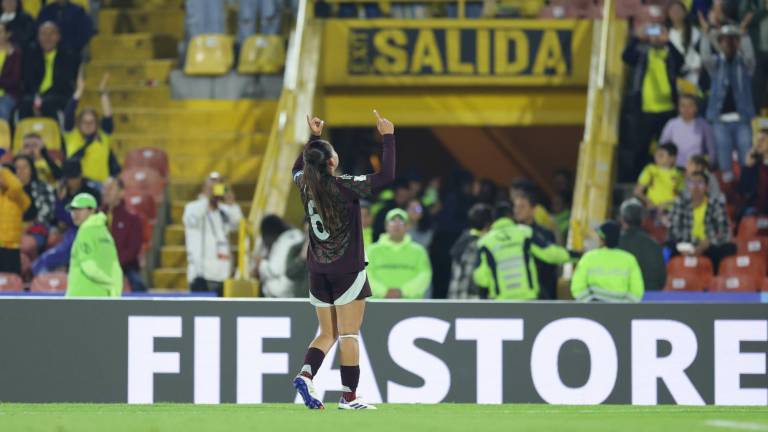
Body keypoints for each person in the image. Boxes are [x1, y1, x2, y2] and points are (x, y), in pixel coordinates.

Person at [290, 111, 395, 410]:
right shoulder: (345, 186)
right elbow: (386, 176)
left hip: (317, 270)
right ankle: (349, 397)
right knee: (348, 334)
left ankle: (306, 374)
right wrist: (388, 137)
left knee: (327, 333)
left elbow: (297, 168)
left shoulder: (304, 184)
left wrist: (313, 138)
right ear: (332, 162)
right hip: (346, 271)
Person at [473, 202, 578, 300]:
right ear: (511, 215)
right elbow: (551, 254)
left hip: (501, 301)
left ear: (493, 220)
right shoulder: (524, 233)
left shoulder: (485, 242)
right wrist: (577, 255)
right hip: (527, 299)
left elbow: (480, 277)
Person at [622, 23, 684, 179]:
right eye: (653, 33)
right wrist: (637, 38)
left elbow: (681, 61)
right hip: (645, 108)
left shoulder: (668, 54)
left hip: (667, 108)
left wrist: (668, 41)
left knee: (667, 147)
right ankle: (639, 178)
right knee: (641, 146)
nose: (656, 36)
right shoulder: (642, 52)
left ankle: (667, 177)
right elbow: (626, 57)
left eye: (659, 32)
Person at [700, 16, 756, 182]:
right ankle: (728, 191)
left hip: (742, 118)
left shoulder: (745, 65)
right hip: (719, 119)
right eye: (724, 41)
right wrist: (705, 35)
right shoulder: (716, 65)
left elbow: (750, 56)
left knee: (746, 153)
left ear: (737, 43)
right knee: (724, 156)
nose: (728, 44)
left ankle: (747, 187)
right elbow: (705, 57)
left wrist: (744, 36)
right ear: (720, 43)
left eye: (733, 40)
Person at [668, 171, 735, 271]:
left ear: (707, 187)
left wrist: (706, 244)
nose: (696, 187)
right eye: (692, 183)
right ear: (688, 187)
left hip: (708, 245)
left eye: (700, 183)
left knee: (728, 248)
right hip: (686, 243)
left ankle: (716, 280)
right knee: (668, 248)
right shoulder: (680, 203)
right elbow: (674, 230)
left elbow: (723, 231)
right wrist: (685, 247)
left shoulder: (715, 204)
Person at [183, 181, 241, 297]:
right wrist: (207, 199)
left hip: (223, 274)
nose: (215, 189)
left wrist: (231, 203)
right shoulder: (193, 207)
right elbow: (191, 220)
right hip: (201, 275)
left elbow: (238, 224)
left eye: (219, 186)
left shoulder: (224, 211)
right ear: (204, 188)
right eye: (212, 186)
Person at [63, 73, 119, 183]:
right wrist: (79, 91)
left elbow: (108, 117)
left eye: (91, 122)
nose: (88, 125)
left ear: (97, 123)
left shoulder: (103, 137)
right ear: (79, 123)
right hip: (78, 186)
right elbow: (68, 114)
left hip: (100, 186)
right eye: (85, 122)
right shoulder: (72, 135)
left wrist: (102, 92)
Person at [571, 221, 644, 303]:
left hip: (592, 312)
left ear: (602, 239)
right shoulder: (629, 259)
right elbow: (637, 291)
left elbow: (577, 287)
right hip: (621, 312)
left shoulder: (589, 257)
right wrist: (624, 307)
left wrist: (590, 303)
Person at [65, 192, 122, 297]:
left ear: (92, 210)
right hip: (103, 298)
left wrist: (110, 283)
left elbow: (88, 266)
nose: (74, 214)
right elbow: (116, 267)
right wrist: (115, 291)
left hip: (80, 298)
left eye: (79, 209)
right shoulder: (106, 234)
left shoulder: (85, 232)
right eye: (73, 210)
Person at [367, 208, 432, 300]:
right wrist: (384, 292)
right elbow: (365, 275)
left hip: (411, 305)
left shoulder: (419, 251)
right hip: (377, 303)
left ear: (407, 226)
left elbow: (425, 275)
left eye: (401, 222)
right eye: (393, 221)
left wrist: (403, 291)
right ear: (386, 225)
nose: (397, 225)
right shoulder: (371, 250)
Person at [20, 21, 78, 119]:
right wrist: (37, 98)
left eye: (52, 34)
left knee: (48, 105)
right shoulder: (31, 55)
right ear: (38, 37)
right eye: (44, 34)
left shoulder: (68, 56)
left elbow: (64, 83)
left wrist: (41, 100)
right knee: (25, 104)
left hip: (59, 96)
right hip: (35, 96)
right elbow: (28, 81)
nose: (48, 38)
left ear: (58, 37)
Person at [513, 189, 559, 300]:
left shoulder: (546, 234)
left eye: (522, 207)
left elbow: (552, 267)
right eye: (515, 207)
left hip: (541, 292)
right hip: (516, 292)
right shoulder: (510, 235)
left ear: (533, 209)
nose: (517, 211)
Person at [102, 177, 146, 292]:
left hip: (125, 265)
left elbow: (133, 249)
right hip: (99, 263)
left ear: (121, 192)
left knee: (137, 283)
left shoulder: (132, 218)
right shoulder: (97, 217)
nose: (106, 192)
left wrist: (114, 263)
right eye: (104, 188)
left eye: (110, 188)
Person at [618, 199, 667, 292]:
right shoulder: (654, 245)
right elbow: (662, 280)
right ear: (643, 221)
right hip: (649, 298)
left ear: (622, 220)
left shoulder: (614, 245)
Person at [447, 203, 493, 300]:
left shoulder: (462, 241)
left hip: (455, 300)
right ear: (488, 224)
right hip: (473, 303)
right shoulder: (479, 246)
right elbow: (473, 280)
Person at [659, 95, 715, 168]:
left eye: (690, 105)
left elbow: (711, 149)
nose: (686, 109)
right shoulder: (671, 124)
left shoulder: (703, 125)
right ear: (678, 108)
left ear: (696, 108)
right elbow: (662, 146)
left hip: (697, 168)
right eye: (682, 106)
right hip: (675, 168)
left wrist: (708, 165)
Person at [13, 154, 55, 251]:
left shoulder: (42, 187)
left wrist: (28, 226)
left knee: (21, 244)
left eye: (25, 167)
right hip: (11, 229)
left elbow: (47, 214)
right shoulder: (7, 189)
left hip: (36, 229)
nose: (21, 171)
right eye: (17, 168)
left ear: (31, 169)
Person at [258, 214, 305, 298]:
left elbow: (273, 271)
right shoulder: (299, 235)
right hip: (301, 291)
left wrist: (262, 264)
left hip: (282, 294)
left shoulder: (283, 242)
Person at [634, 143, 685, 210]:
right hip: (653, 210)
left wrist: (667, 203)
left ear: (672, 158)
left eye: (661, 155)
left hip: (672, 211)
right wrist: (649, 202)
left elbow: (681, 196)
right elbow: (637, 191)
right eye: (656, 154)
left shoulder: (678, 174)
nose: (656, 157)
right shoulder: (650, 170)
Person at [53, 159, 101, 228]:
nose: (72, 181)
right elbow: (57, 219)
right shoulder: (61, 190)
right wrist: (60, 200)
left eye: (74, 177)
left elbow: (90, 218)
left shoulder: (91, 192)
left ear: (81, 175)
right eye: (69, 178)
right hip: (67, 230)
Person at [0, 165, 30, 274]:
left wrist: (3, 170)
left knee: (11, 282)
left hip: (11, 247)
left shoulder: (18, 197)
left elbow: (16, 187)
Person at [668, 1, 703, 86]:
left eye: (678, 10)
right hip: (675, 76)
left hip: (694, 76)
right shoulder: (667, 34)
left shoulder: (694, 32)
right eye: (673, 10)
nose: (675, 13)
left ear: (685, 13)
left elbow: (699, 52)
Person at [738, 127, 768, 215]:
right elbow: (743, 191)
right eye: (756, 140)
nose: (758, 143)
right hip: (754, 211)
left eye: (763, 140)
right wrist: (747, 168)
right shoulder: (753, 166)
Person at [371, 178, 410, 242]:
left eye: (405, 195)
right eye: (400, 195)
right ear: (395, 194)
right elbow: (377, 231)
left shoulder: (409, 208)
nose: (402, 198)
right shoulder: (384, 211)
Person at [0, 21, 21, 122]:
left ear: (8, 34)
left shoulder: (15, 54)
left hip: (8, 94)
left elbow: (14, 80)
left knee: (2, 109)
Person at [285, 222, 311, 299]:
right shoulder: (295, 249)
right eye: (307, 233)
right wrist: (302, 258)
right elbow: (289, 273)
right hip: (301, 299)